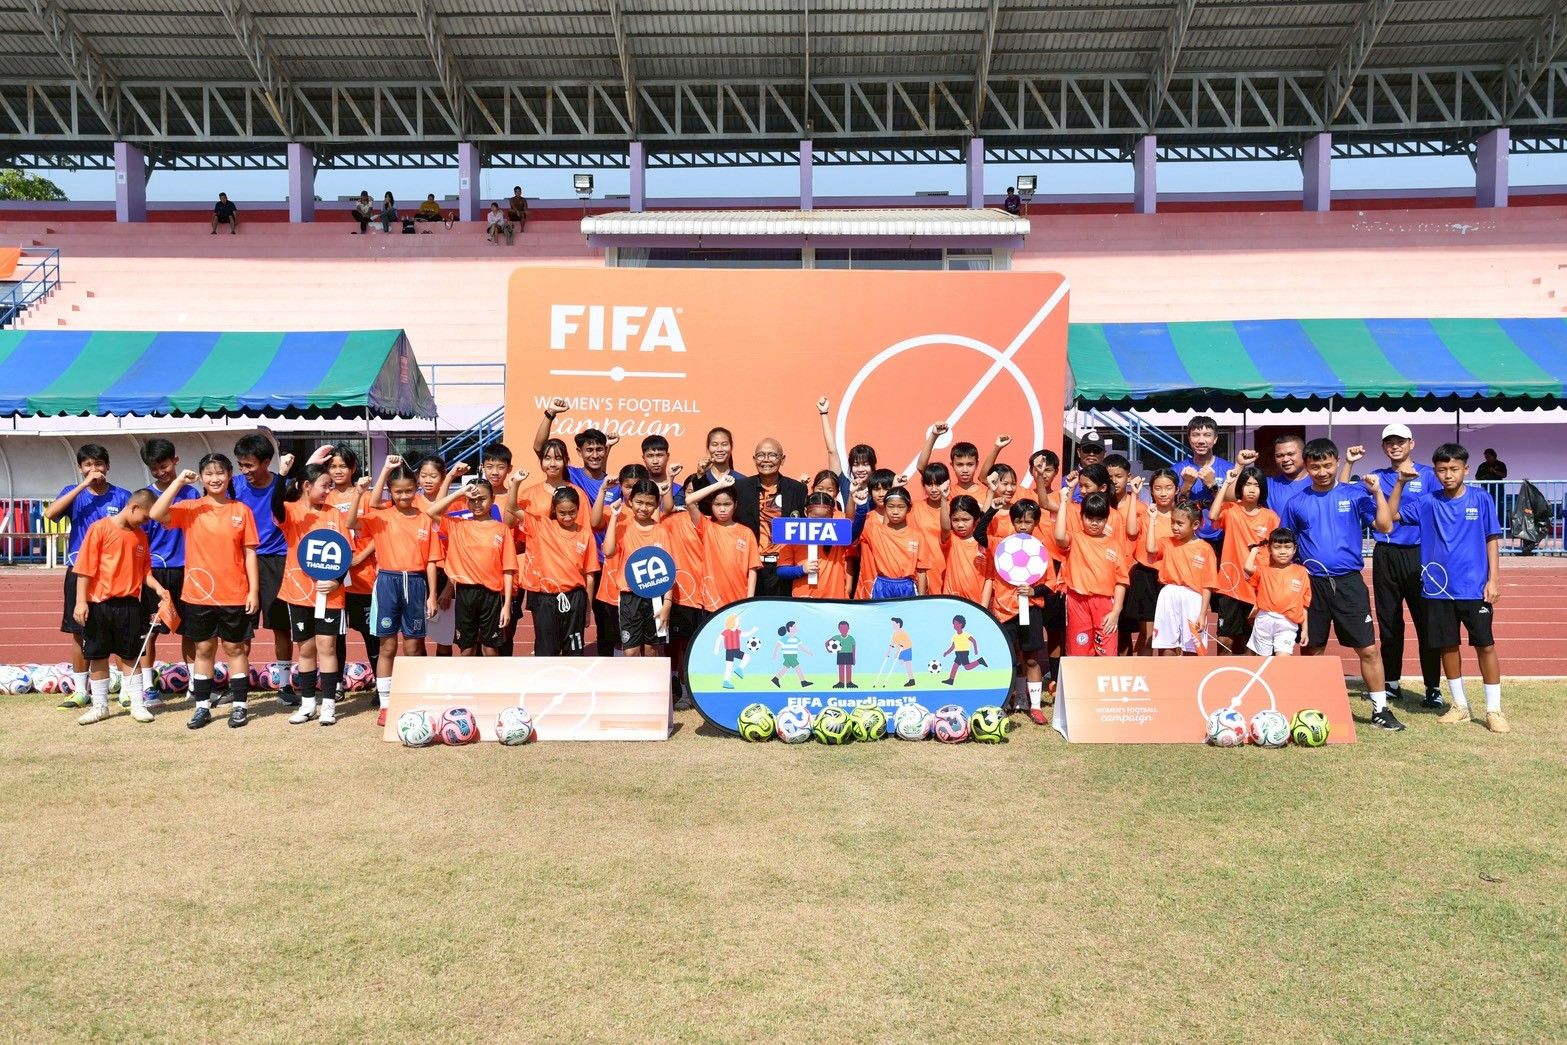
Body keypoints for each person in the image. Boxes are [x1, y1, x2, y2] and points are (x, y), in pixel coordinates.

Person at [1373, 444, 1509, 733]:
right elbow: (1387, 519)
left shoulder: (1481, 498)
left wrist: (1494, 579)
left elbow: (1492, 539)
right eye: (1442, 470)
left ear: (1466, 469)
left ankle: (1494, 710)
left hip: (1474, 588)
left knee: (1485, 645)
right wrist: (1400, 483)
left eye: (1454, 469)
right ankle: (1459, 706)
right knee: (1448, 646)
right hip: (1438, 588)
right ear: (1434, 472)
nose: (1448, 475)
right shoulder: (1427, 502)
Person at [1278, 438, 1403, 731]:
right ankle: (1311, 705)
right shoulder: (1296, 503)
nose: (1322, 471)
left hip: (1349, 583)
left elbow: (1385, 526)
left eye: (1327, 465)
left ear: (1336, 462)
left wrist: (1378, 492)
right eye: (1315, 466)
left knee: (1368, 649)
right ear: (1306, 467)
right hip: (1312, 585)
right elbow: (1285, 542)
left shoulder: (1355, 493)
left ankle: (1380, 710)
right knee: (1312, 649)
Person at [150, 455, 259, 730]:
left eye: (220, 473)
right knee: (204, 649)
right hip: (198, 594)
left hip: (234, 593)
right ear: (201, 477)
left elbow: (250, 554)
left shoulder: (241, 510)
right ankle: (202, 707)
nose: (215, 478)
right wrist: (178, 481)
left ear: (229, 475)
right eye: (208, 474)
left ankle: (240, 706)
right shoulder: (191, 508)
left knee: (235, 648)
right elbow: (155, 514)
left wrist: (254, 591)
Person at [1353, 424, 1444, 707]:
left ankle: (1433, 688)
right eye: (1389, 442)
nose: (1395, 446)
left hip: (1419, 555)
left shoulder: (1429, 475)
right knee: (1390, 623)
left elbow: (1442, 507)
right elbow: (1343, 491)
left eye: (1400, 441)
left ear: (1411, 444)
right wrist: (1349, 463)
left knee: (1427, 624)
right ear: (1383, 447)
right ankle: (1391, 683)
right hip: (1386, 554)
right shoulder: (1376, 477)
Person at [350, 459, 442, 724]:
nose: (404, 496)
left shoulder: (424, 519)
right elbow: (351, 522)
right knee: (387, 646)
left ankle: (415, 699)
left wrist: (432, 595)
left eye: (409, 490)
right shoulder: (381, 517)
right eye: (398, 491)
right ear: (390, 492)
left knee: (414, 646)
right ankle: (386, 705)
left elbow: (431, 560)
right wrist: (361, 491)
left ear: (416, 489)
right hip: (387, 583)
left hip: (415, 583)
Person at [71, 490, 170, 725]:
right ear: (134, 507)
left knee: (131, 655)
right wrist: (81, 601)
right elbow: (85, 569)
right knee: (98, 655)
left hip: (130, 605)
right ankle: (100, 706)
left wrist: (159, 588)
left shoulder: (140, 537)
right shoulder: (99, 529)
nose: (146, 523)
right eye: (145, 517)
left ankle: (137, 704)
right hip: (99, 604)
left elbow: (145, 572)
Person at [45, 443, 132, 709]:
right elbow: (50, 513)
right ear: (80, 468)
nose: (94, 469)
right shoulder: (72, 493)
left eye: (99, 464)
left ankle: (127, 690)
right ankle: (81, 690)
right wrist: (82, 486)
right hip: (79, 570)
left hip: (113, 573)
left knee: (119, 631)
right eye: (88, 465)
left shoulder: (122, 495)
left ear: (108, 466)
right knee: (79, 631)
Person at [274, 465, 349, 725]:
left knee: (327, 647)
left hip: (330, 594)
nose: (329, 490)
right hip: (298, 592)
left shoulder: (335, 514)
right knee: (305, 649)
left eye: (330, 486)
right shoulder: (291, 510)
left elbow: (345, 552)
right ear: (307, 486)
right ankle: (308, 704)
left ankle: (328, 705)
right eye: (324, 485)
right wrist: (282, 475)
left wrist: (336, 581)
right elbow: (274, 505)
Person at [232, 434, 298, 705]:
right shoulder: (233, 486)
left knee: (280, 626)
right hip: (242, 560)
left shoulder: (285, 485)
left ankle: (285, 685)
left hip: (276, 560)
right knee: (241, 627)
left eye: (249, 465)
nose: (244, 470)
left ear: (266, 462)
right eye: (241, 465)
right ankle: (238, 685)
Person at [427, 477, 516, 662]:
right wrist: (459, 492)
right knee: (467, 649)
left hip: (491, 596)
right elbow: (431, 511)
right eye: (472, 499)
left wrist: (507, 605)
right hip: (465, 593)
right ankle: (465, 681)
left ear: (492, 499)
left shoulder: (502, 530)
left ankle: (490, 682)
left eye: (482, 499)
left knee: (490, 649)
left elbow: (508, 569)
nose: (477, 504)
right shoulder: (457, 525)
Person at [138, 438, 197, 701]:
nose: (161, 472)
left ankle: (195, 685)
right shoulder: (145, 497)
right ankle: (148, 687)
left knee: (191, 630)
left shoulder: (192, 493)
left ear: (176, 460)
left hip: (187, 570)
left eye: (164, 466)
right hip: (156, 572)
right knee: (150, 631)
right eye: (155, 468)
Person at [518, 486, 600, 656]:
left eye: (572, 512)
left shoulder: (585, 535)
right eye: (562, 513)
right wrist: (516, 484)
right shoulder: (542, 526)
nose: (567, 517)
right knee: (547, 651)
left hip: (575, 599)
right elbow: (512, 509)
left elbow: (590, 575)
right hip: (546, 599)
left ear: (578, 509)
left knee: (574, 652)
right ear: (554, 510)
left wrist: (587, 608)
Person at [1209, 457, 1278, 656]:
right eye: (1247, 484)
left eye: (1256, 485)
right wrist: (1227, 483)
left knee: (1253, 642)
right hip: (1230, 585)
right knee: (1225, 640)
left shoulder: (1271, 517)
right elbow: (1213, 515)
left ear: (1262, 489)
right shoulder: (1231, 510)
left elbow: (1275, 553)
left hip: (1257, 586)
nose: (1251, 489)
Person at [1054, 483, 1129, 659]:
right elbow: (1059, 536)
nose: (1094, 523)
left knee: (1107, 654)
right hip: (1077, 602)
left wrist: (1116, 611)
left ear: (1107, 519)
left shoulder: (1114, 545)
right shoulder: (1075, 539)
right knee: (1079, 653)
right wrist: (1063, 503)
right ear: (1082, 517)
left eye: (1100, 519)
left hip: (1105, 604)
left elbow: (1121, 581)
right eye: (1089, 518)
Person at [601, 478, 672, 658]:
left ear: (657, 505)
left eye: (650, 504)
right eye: (639, 502)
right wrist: (614, 516)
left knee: (651, 650)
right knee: (631, 651)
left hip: (655, 596)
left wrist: (667, 603)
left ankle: (651, 678)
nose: (644, 508)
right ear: (630, 501)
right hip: (629, 597)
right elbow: (608, 551)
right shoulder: (622, 527)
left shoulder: (661, 531)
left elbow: (668, 570)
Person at [733, 438, 809, 595]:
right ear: (754, 459)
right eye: (761, 455)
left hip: (785, 569)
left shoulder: (797, 489)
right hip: (751, 568)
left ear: (782, 459)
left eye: (772, 455)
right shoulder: (740, 488)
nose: (766, 460)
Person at [1146, 501, 1217, 657]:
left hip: (1193, 598)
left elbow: (1208, 584)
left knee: (1193, 647)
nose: (1175, 527)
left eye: (1180, 523)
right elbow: (1150, 548)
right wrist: (1152, 519)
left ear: (1195, 524)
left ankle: (1190, 673)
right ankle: (1168, 672)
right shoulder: (1167, 542)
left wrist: (1203, 613)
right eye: (1172, 522)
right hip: (1169, 595)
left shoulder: (1205, 549)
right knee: (1166, 645)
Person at [685, 474, 760, 614]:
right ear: (711, 506)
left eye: (727, 504)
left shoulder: (746, 532)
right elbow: (689, 500)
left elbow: (752, 569)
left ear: (735, 505)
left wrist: (749, 600)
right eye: (717, 504)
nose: (722, 509)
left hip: (739, 601)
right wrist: (719, 485)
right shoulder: (706, 527)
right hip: (711, 603)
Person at [1243, 528, 1311, 655]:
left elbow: (1304, 604)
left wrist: (1305, 630)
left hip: (1287, 624)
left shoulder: (1301, 572)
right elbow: (1247, 567)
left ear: (1294, 549)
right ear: (1269, 549)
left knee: (1282, 660)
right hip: (1264, 621)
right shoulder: (1263, 571)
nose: (1283, 551)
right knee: (1263, 661)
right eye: (1277, 547)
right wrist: (1254, 551)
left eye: (1287, 547)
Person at [776, 492, 851, 599]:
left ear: (832, 515)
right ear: (806, 512)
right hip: (804, 599)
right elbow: (781, 571)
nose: (819, 523)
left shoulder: (839, 533)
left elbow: (855, 528)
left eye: (825, 518)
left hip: (835, 599)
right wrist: (801, 569)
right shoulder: (792, 534)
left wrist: (859, 504)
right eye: (815, 518)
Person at [1174, 415, 1231, 553]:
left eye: (1207, 435)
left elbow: (1231, 506)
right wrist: (1187, 485)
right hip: (1187, 539)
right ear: (1189, 439)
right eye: (1196, 435)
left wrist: (1212, 485)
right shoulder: (1177, 470)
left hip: (1222, 537)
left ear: (1215, 439)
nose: (1201, 440)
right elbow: (1174, 507)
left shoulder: (1229, 469)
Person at [1266, 433, 1312, 517]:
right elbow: (1238, 496)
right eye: (1279, 456)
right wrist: (1241, 464)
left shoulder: (1318, 482)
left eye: (1290, 454)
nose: (1285, 459)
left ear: (1304, 455)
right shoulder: (1268, 485)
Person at [769, 621, 813, 688]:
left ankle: (775, 679)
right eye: (795, 627)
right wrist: (775, 654)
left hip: (794, 656)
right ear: (790, 628)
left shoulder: (796, 639)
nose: (796, 628)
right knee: (798, 668)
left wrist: (808, 652)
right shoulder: (785, 638)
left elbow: (801, 648)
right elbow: (778, 645)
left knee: (785, 668)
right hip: (789, 656)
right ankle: (803, 682)